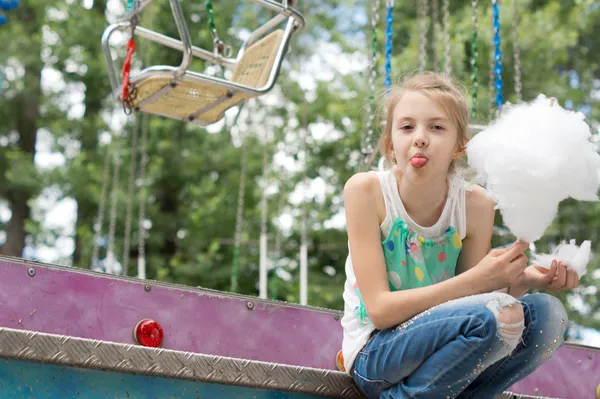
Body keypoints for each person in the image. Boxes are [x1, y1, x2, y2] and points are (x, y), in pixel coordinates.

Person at [341, 72, 579, 399]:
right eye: (407, 127)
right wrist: (481, 282)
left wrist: (524, 280)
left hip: (442, 352)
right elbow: (380, 311)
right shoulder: (366, 192)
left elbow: (472, 301)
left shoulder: (475, 205)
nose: (420, 138)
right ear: (389, 143)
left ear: (460, 146)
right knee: (496, 314)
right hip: (377, 352)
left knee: (547, 316)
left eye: (436, 127)